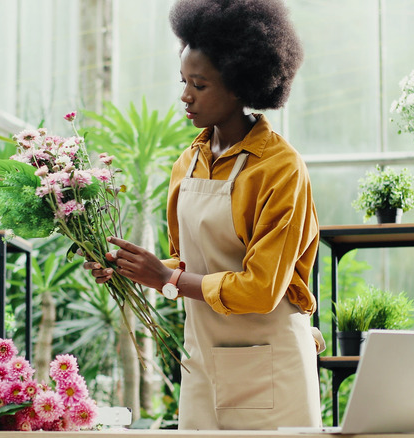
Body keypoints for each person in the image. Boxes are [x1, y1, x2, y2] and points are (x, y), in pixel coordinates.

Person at [84, 0, 322, 430]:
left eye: (200, 84)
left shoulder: (280, 167)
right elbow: (185, 262)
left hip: (273, 368)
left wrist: (168, 279)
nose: (185, 95)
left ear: (239, 85)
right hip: (202, 362)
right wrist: (130, 268)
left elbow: (262, 289)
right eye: (183, 80)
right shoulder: (187, 162)